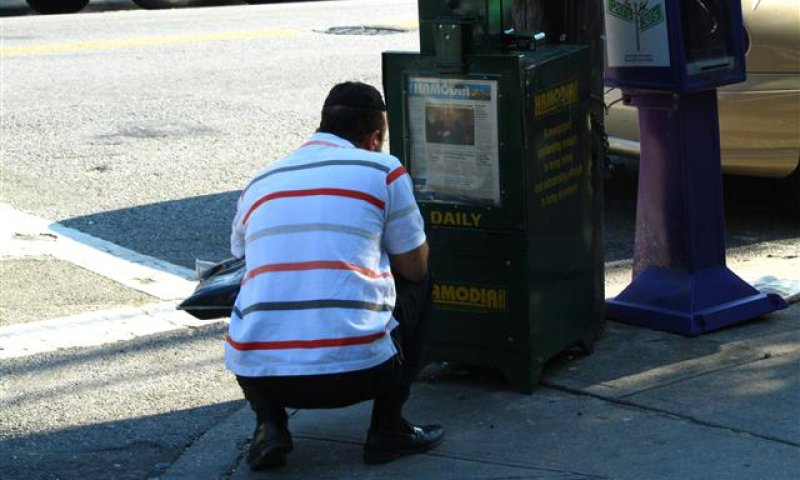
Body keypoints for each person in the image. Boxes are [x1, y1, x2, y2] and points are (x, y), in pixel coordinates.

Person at [225, 81, 444, 470]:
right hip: (362, 372)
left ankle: (269, 425)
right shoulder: (383, 169)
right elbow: (414, 266)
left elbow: (242, 259)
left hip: (262, 377)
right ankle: (387, 428)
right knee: (424, 280)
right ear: (374, 138)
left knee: (257, 284)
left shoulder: (261, 181)